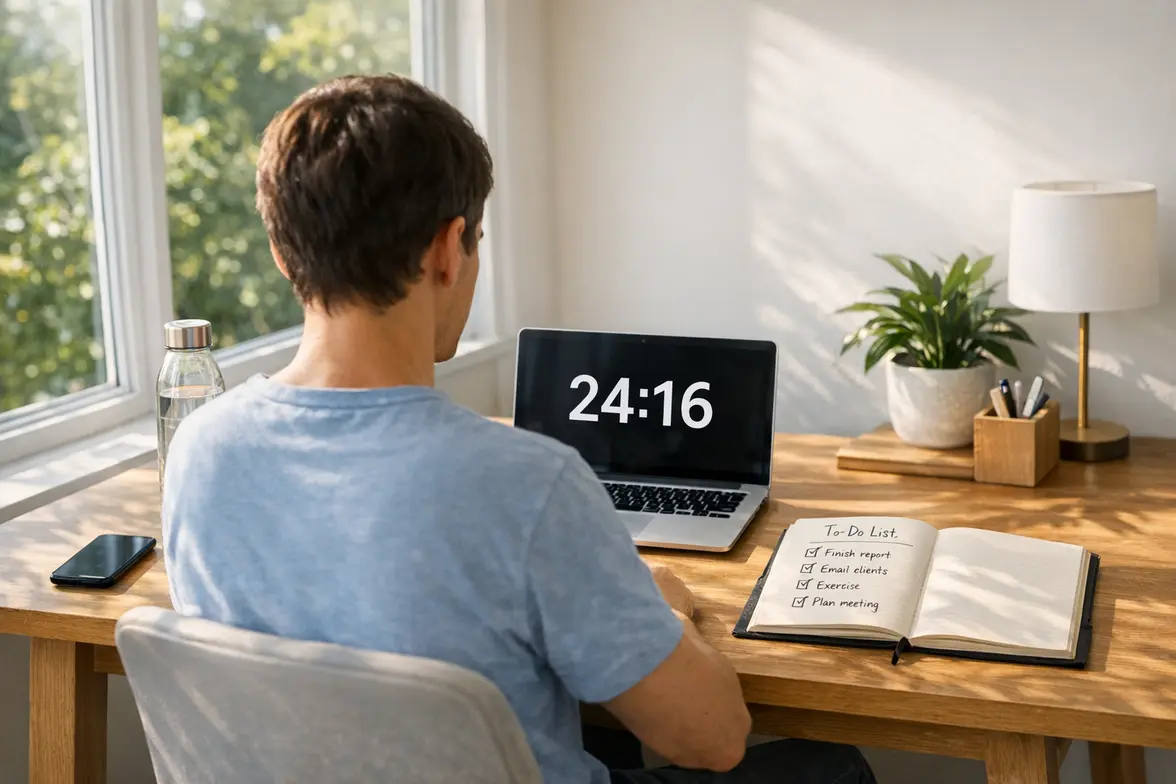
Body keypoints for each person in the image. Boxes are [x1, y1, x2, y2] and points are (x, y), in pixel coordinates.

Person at [161, 73, 875, 784]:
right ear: (448, 249)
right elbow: (712, 739)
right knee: (832, 769)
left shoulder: (199, 451)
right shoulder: (528, 483)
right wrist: (667, 611)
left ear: (285, 254)